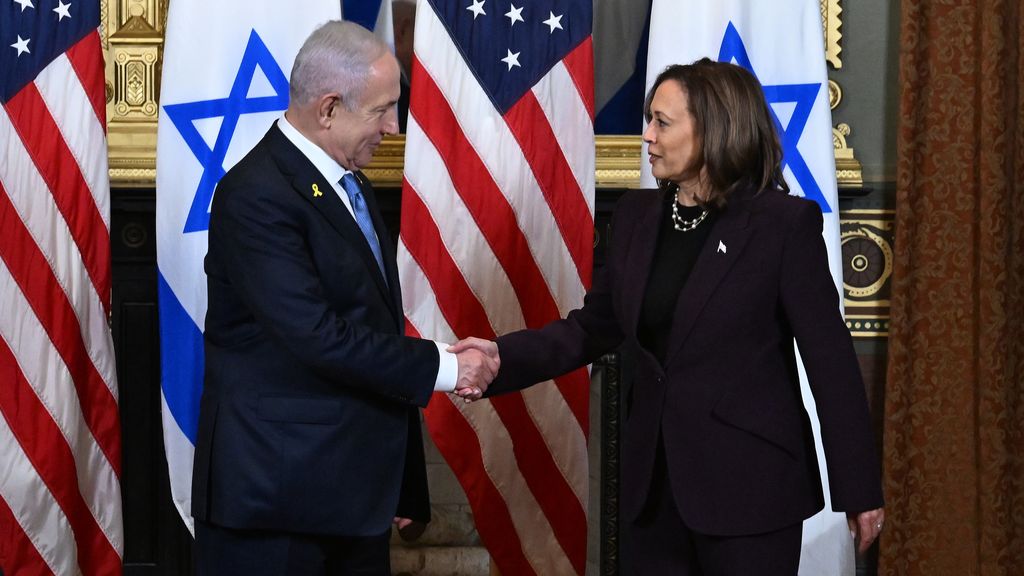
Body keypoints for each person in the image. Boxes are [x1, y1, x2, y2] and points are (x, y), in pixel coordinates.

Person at [451, 58, 884, 575]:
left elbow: (829, 361)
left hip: (750, 493)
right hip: (654, 491)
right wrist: (500, 358)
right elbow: (591, 328)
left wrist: (859, 489)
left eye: (662, 122)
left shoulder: (781, 225)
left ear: (712, 129)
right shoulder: (637, 217)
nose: (647, 136)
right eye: (649, 120)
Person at [192, 21, 495, 576]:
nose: (394, 126)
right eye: (383, 110)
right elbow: (318, 337)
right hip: (277, 509)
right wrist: (449, 367)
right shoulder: (256, 194)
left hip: (350, 499)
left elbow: (371, 328)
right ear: (329, 108)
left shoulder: (349, 183)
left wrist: (403, 481)